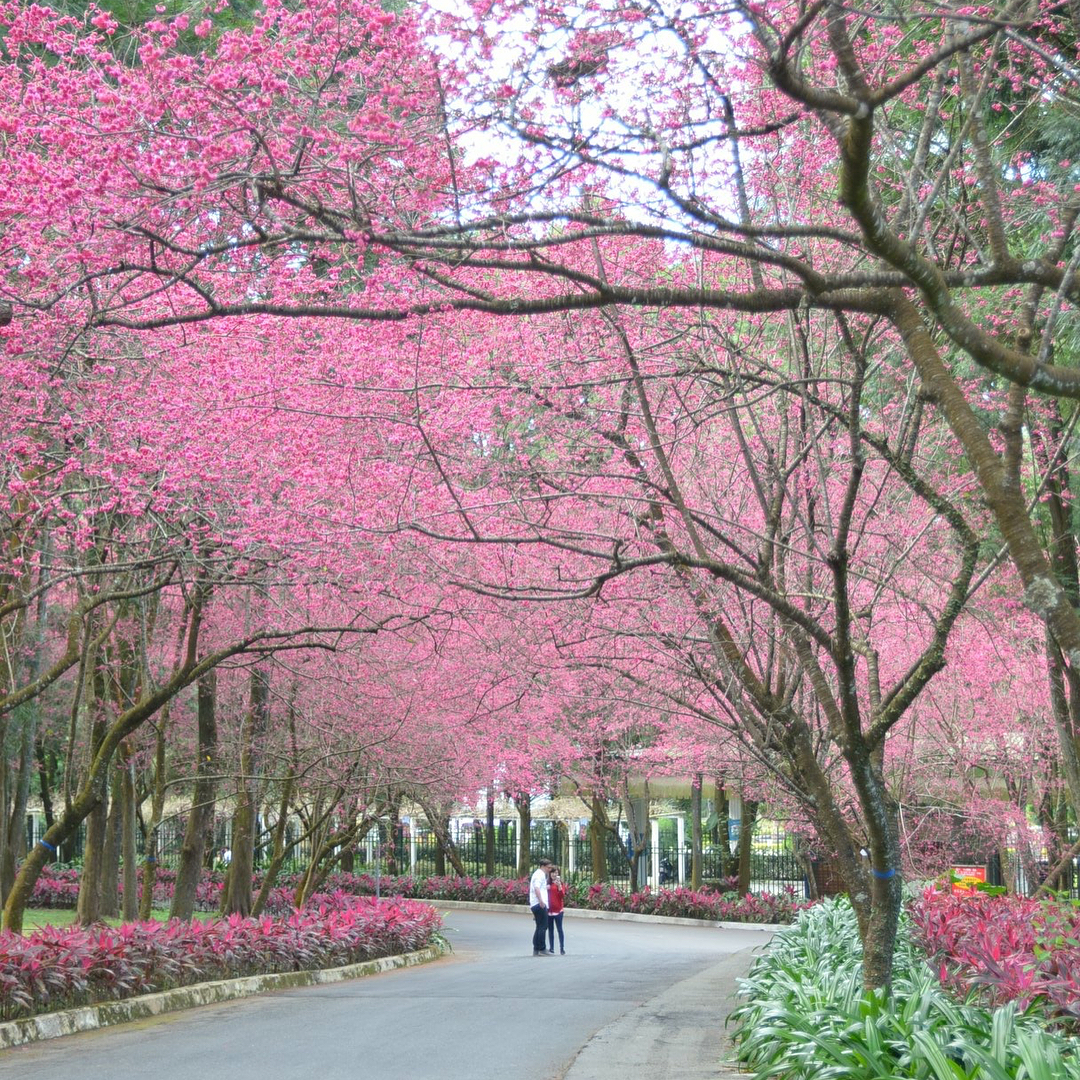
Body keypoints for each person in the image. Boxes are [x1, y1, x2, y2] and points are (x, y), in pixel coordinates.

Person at [529, 858, 553, 955]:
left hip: (536, 903)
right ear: (543, 866)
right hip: (539, 904)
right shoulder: (539, 875)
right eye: (548, 867)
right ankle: (542, 948)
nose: (549, 869)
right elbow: (536, 888)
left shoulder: (539, 874)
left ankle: (536, 948)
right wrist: (541, 901)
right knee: (543, 926)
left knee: (539, 927)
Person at [547, 865, 567, 955]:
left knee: (559, 929)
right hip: (549, 910)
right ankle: (551, 948)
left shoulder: (560, 884)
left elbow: (562, 896)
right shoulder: (547, 883)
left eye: (556, 873)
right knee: (550, 930)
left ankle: (562, 948)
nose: (554, 874)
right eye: (553, 872)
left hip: (558, 910)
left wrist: (559, 886)